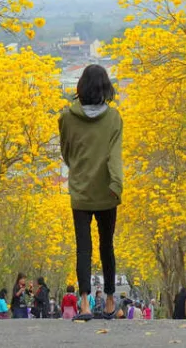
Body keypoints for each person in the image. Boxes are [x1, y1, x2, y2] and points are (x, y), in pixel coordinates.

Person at [58, 64, 123, 321]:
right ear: (105, 88)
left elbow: (66, 152)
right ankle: (108, 301)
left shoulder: (66, 117)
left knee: (83, 248)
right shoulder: (114, 118)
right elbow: (115, 156)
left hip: (81, 191)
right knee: (107, 246)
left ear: (81, 88)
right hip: (107, 191)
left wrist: (80, 169)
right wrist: (116, 184)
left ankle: (84, 304)